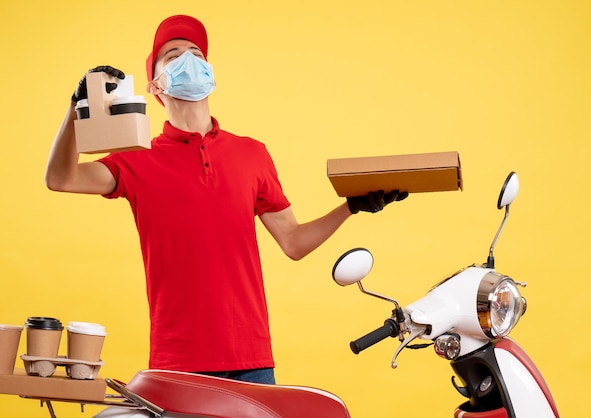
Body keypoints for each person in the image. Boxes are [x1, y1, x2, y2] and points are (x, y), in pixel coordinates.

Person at [45, 14, 407, 384]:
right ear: (154, 85)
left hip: (252, 357)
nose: (188, 59)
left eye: (196, 52)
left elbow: (294, 242)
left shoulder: (252, 154)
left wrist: (351, 207)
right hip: (178, 361)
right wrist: (77, 108)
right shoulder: (138, 158)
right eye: (173, 55)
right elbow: (60, 178)